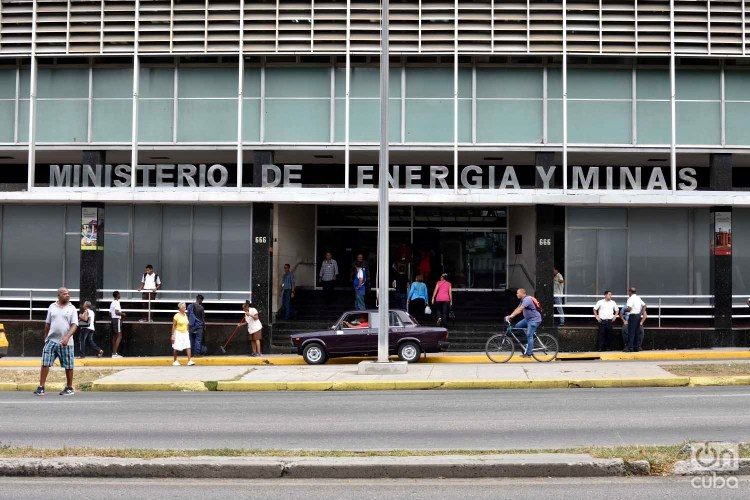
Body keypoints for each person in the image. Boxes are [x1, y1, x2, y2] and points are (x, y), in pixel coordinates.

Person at [34, 287, 78, 396]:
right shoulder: (52, 307)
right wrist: (46, 338)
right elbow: (47, 324)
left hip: (66, 342)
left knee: (68, 365)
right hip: (51, 340)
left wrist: (67, 337)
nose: (67, 295)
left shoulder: (72, 308)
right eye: (64, 294)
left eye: (68, 293)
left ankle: (69, 387)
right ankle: (41, 387)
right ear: (58, 295)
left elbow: (74, 325)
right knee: (45, 363)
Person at [504, 288, 542, 358]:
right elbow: (517, 309)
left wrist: (511, 316)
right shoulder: (522, 300)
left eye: (518, 293)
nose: (516, 294)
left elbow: (520, 309)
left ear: (522, 293)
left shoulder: (527, 299)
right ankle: (527, 343)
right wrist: (510, 316)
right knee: (517, 326)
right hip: (528, 319)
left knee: (529, 335)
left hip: (534, 319)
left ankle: (529, 353)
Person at [625, 287, 647, 352]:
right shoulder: (638, 298)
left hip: (633, 316)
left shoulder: (630, 299)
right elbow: (645, 305)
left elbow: (629, 309)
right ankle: (636, 347)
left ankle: (630, 348)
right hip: (638, 316)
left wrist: (625, 310)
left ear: (630, 292)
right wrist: (640, 313)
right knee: (637, 332)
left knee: (631, 332)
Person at [109, 290, 125, 358]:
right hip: (117, 319)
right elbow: (116, 312)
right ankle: (115, 353)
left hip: (113, 320)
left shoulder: (112, 302)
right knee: (119, 336)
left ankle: (114, 353)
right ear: (117, 295)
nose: (120, 295)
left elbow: (110, 313)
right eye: (119, 294)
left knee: (114, 337)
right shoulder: (117, 302)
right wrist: (123, 314)